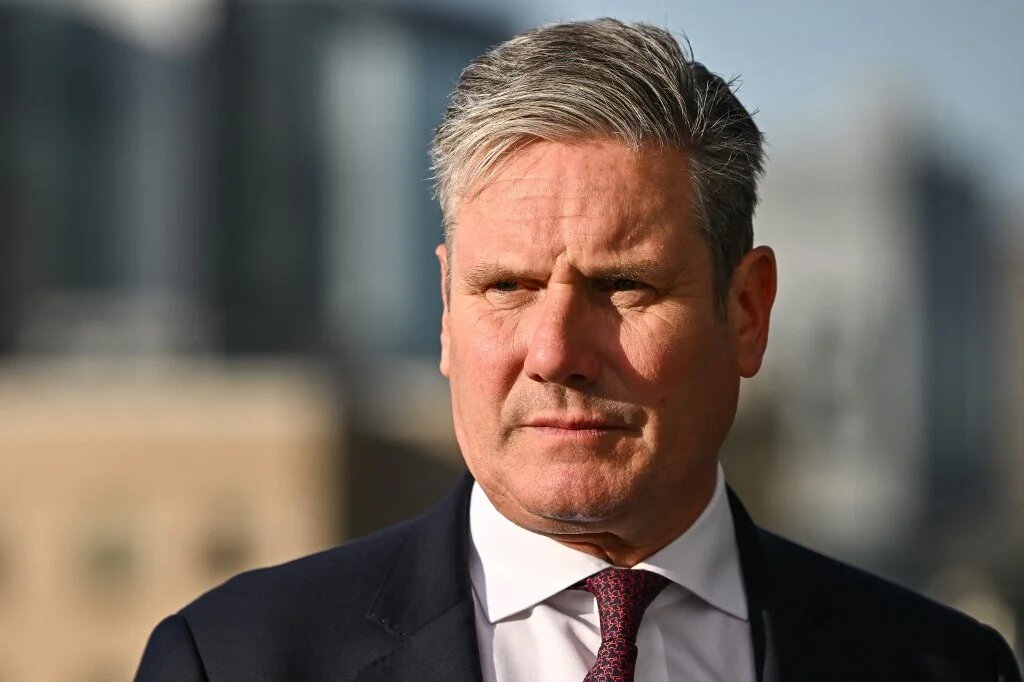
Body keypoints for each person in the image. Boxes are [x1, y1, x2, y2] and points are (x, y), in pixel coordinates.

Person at [135, 18, 1021, 682]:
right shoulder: (234, 662)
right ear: (445, 311)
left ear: (747, 311)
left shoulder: (940, 667)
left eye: (623, 287)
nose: (556, 351)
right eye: (506, 288)